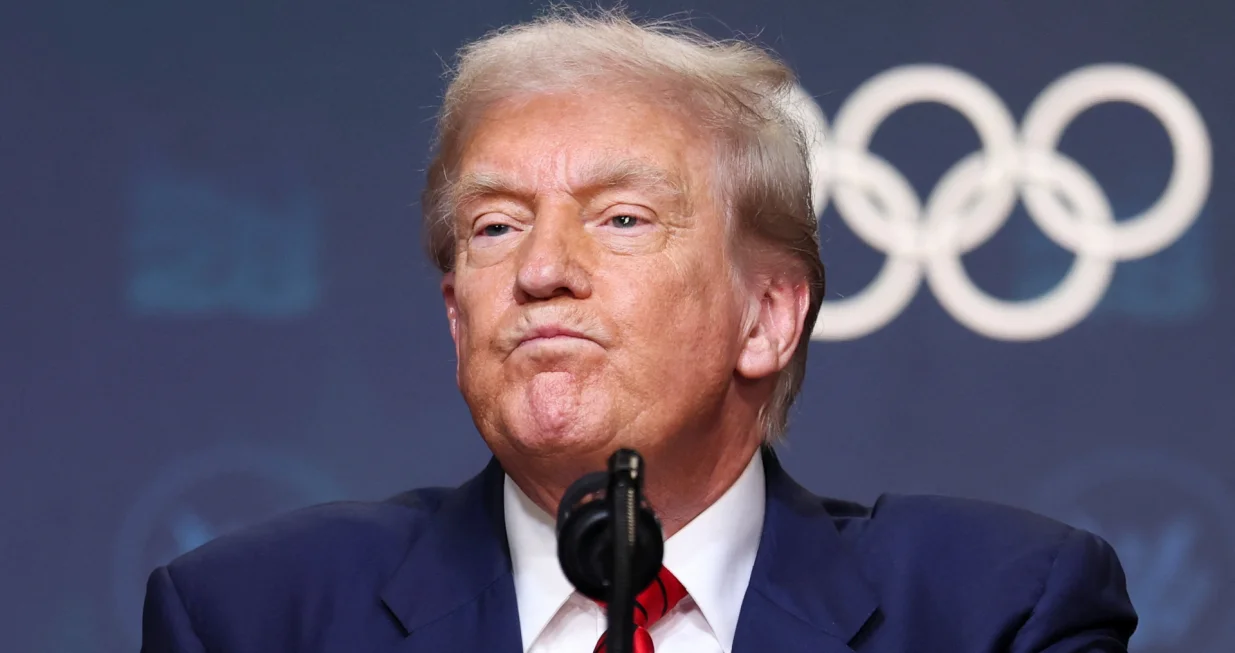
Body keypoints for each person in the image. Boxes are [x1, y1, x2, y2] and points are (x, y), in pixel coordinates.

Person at [140, 7, 1137, 653]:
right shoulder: (253, 618)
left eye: (621, 219)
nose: (539, 269)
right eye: (494, 226)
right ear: (455, 315)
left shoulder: (991, 611)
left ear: (766, 315)